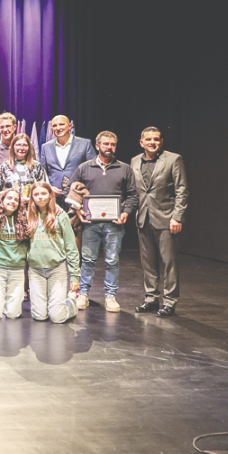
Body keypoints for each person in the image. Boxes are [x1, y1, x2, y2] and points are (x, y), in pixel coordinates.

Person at [70, 130, 138, 313]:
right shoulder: (84, 167)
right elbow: (72, 191)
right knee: (87, 259)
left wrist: (126, 212)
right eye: (106, 144)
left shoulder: (124, 169)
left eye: (113, 144)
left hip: (114, 224)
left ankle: (110, 296)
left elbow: (132, 195)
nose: (109, 147)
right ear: (97, 145)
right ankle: (83, 294)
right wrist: (78, 210)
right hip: (90, 224)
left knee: (112, 260)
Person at [131, 127, 188, 317]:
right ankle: (151, 299)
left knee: (169, 263)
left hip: (166, 218)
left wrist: (177, 217)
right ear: (142, 142)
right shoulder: (135, 161)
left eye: (156, 139)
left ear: (161, 142)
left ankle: (169, 301)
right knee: (148, 263)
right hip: (143, 218)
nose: (152, 142)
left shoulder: (173, 159)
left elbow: (182, 190)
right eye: (148, 139)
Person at [26, 182, 80, 323]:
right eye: (36, 194)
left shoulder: (60, 215)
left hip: (56, 269)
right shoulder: (27, 216)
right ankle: (52, 303)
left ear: (50, 195)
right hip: (35, 271)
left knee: (57, 317)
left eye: (44, 193)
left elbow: (71, 246)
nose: (40, 197)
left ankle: (71, 302)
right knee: (39, 316)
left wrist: (75, 276)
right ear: (32, 197)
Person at [0, 188, 29, 319]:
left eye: (16, 199)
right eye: (9, 198)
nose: (12, 201)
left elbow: (42, 212)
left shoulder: (25, 217)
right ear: (2, 200)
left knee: (13, 314)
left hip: (18, 268)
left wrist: (57, 208)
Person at [39, 115, 97, 207]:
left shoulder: (85, 144)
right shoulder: (45, 147)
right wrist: (49, 188)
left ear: (70, 126)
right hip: (53, 199)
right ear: (51, 128)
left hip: (77, 197)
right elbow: (42, 172)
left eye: (61, 124)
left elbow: (93, 170)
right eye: (55, 126)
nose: (58, 128)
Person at [0, 133, 47, 203]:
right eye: (18, 145)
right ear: (13, 147)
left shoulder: (37, 166)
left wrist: (28, 200)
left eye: (25, 145)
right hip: (11, 206)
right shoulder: (4, 167)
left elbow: (44, 190)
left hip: (31, 206)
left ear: (29, 147)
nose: (21, 148)